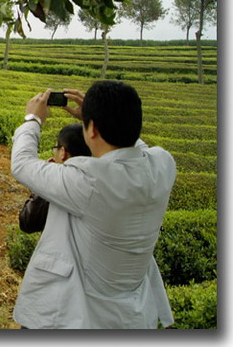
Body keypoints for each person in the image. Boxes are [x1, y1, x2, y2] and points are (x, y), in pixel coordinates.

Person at [11, 82, 176, 329]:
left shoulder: (89, 180)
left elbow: (22, 164)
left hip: (75, 316)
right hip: (132, 315)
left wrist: (32, 120)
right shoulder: (163, 165)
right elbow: (135, 146)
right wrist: (95, 120)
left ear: (92, 130)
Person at [18, 123, 90, 233]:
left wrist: (44, 181)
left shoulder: (59, 183)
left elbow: (28, 223)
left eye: (55, 148)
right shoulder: (97, 180)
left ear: (63, 153)